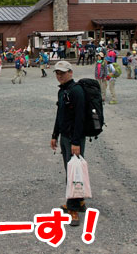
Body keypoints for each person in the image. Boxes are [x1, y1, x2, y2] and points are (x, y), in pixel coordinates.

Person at [50, 60, 87, 227]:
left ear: (70, 73)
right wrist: (54, 134)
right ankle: (79, 201)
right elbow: (60, 114)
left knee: (72, 173)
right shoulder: (62, 91)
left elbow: (80, 118)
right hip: (65, 137)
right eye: (57, 73)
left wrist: (76, 141)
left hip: (73, 138)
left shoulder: (76, 91)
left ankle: (73, 209)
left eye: (62, 73)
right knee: (73, 169)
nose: (60, 76)